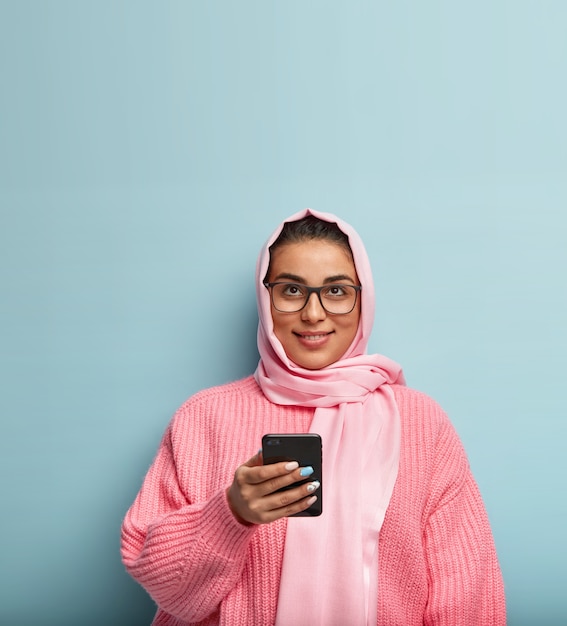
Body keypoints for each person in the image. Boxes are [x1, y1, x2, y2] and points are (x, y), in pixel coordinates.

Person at [121, 208, 506, 625]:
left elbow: (468, 594)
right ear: (266, 299)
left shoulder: (420, 423)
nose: (313, 314)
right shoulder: (203, 419)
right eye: (291, 290)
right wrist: (231, 513)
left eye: (337, 291)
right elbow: (169, 592)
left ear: (364, 299)